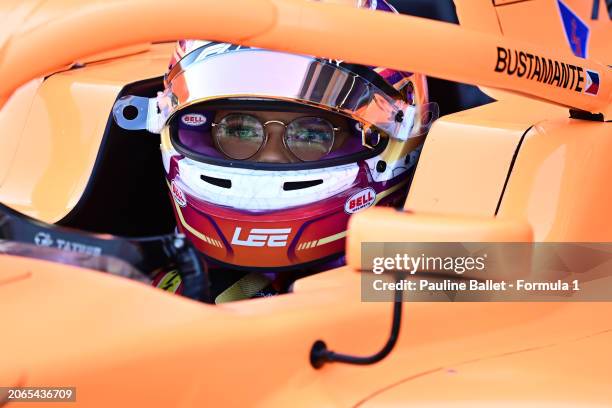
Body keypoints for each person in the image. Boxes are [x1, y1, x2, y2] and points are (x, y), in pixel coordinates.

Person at [149, 0, 433, 302]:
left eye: (311, 133)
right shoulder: (148, 281)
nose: (270, 155)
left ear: (398, 134)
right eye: (239, 129)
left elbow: (481, 277)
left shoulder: (445, 276)